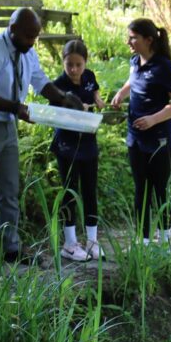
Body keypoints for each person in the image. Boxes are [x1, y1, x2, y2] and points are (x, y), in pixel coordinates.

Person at [0, 7, 84, 273]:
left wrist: (62, 98)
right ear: (13, 29)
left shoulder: (27, 52)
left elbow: (40, 81)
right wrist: (17, 108)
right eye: (28, 36)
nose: (32, 42)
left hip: (7, 124)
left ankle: (11, 247)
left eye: (35, 36)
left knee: (10, 188)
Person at [111, 18, 171, 245]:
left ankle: (164, 241)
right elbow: (132, 80)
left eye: (133, 38)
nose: (128, 42)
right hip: (136, 138)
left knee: (160, 189)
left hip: (160, 140)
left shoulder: (164, 67)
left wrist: (153, 119)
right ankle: (142, 241)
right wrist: (121, 93)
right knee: (140, 189)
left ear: (149, 40)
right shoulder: (135, 61)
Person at [51, 39, 106, 261]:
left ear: (85, 63)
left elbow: (94, 91)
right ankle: (70, 243)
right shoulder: (57, 85)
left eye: (78, 65)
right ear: (63, 62)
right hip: (67, 145)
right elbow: (54, 113)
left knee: (90, 190)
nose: (74, 69)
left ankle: (92, 240)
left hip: (88, 140)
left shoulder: (89, 77)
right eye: (69, 65)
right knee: (70, 191)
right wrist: (74, 109)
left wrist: (98, 100)